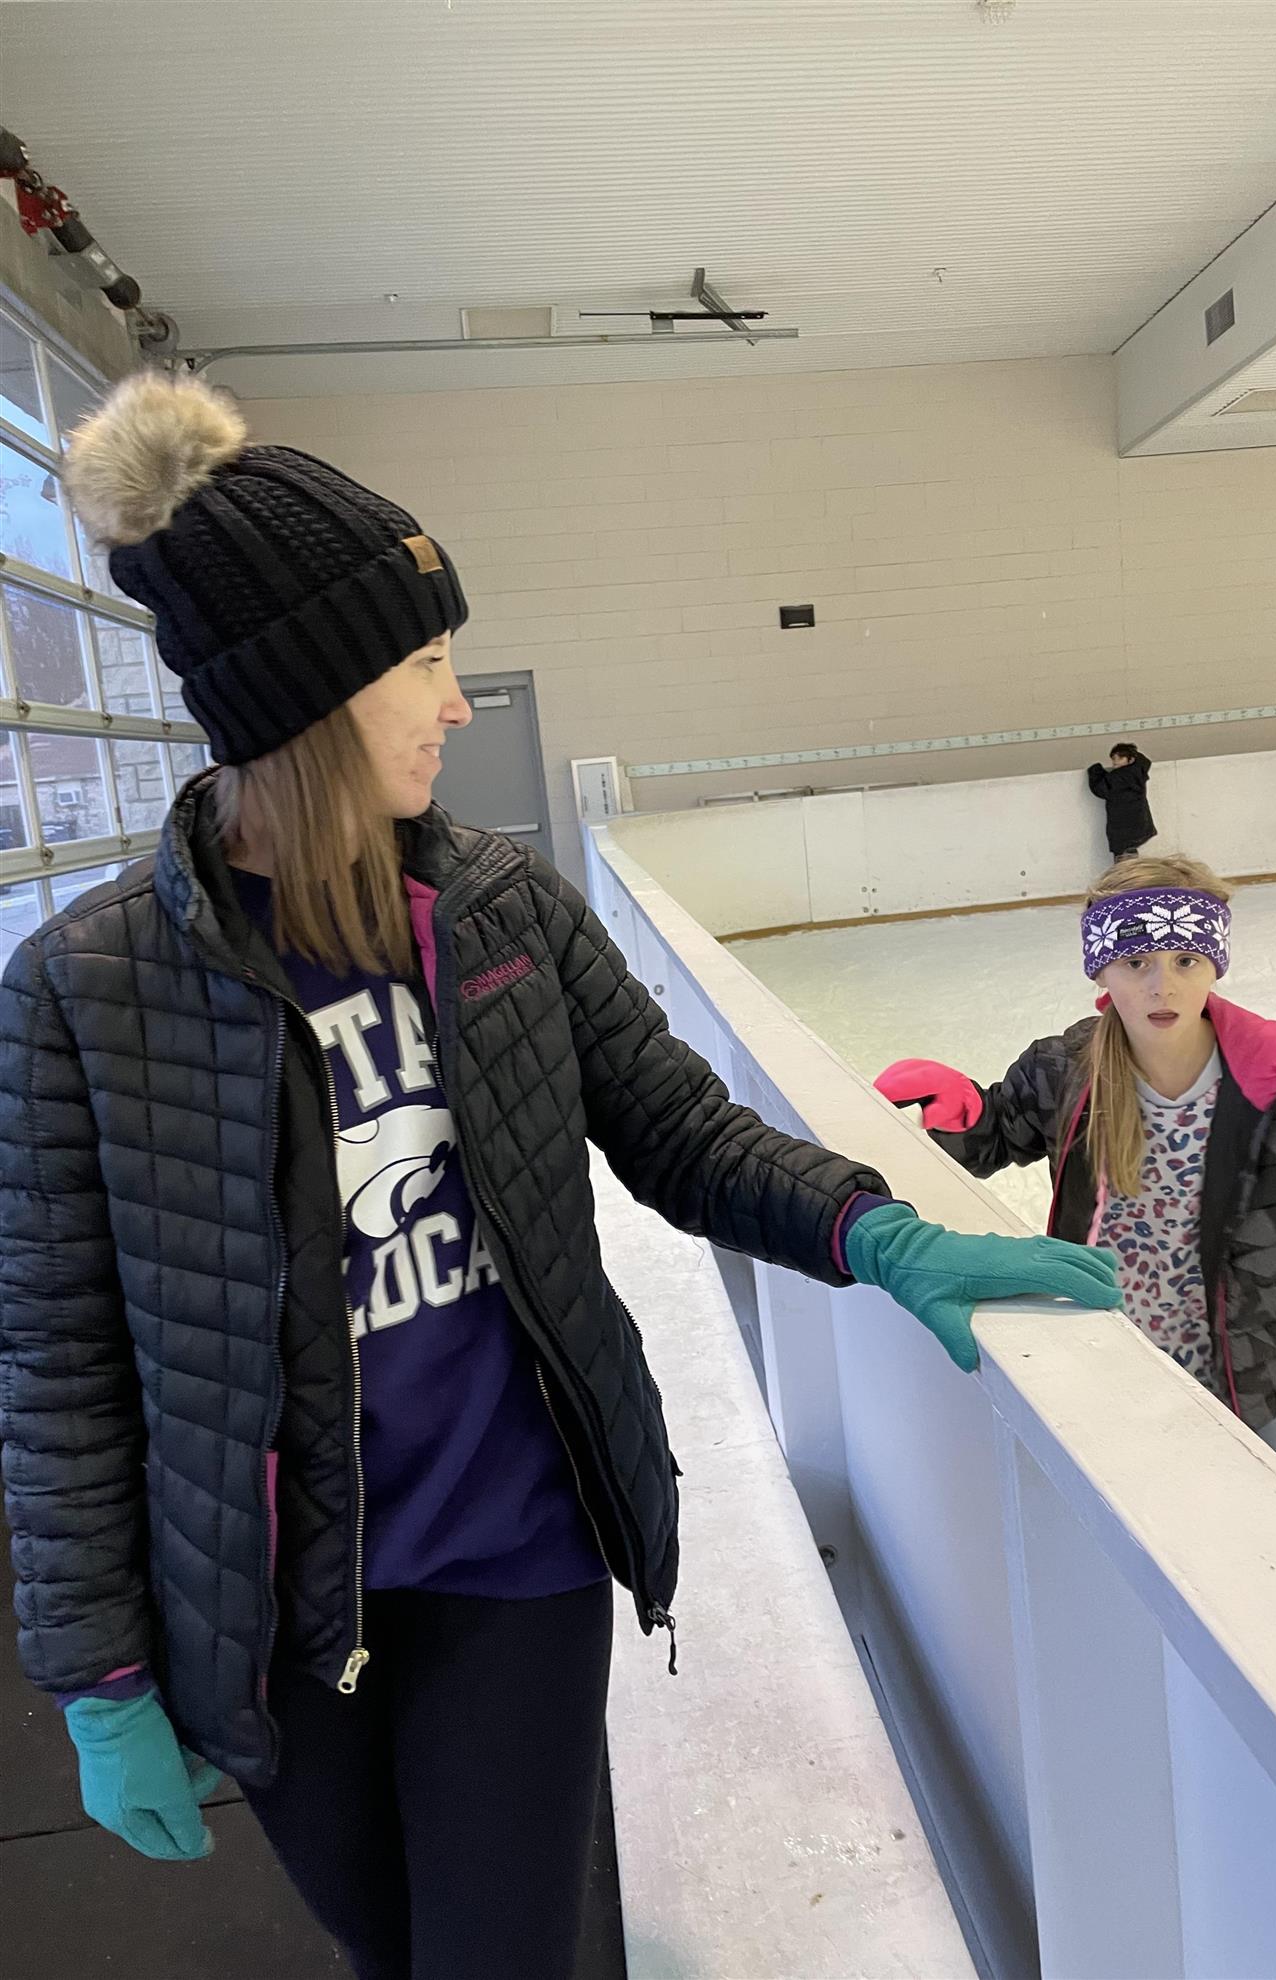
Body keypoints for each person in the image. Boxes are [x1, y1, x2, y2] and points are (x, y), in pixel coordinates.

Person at [0, 373, 1119, 1980]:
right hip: (266, 1608)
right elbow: (60, 1363)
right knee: (392, 1950)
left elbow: (679, 1130)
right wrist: (99, 1678)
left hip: (512, 1555)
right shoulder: (82, 992)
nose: (458, 705)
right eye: (426, 664)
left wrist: (878, 1233)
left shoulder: (502, 910)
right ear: (313, 694)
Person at [875, 853, 1276, 1475]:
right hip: (1109, 1358)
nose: (1161, 986)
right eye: (1136, 962)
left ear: (1214, 965)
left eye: (1185, 961)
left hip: (1251, 1372)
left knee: (1268, 1524)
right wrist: (963, 1116)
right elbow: (1000, 1132)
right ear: (1101, 971)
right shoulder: (1063, 1071)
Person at [1086, 742, 1155, 861]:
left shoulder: (1119, 777)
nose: (1115, 761)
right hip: (1140, 823)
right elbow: (1144, 761)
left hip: (1122, 827)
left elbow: (1100, 789)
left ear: (1130, 759)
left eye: (1120, 758)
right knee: (1130, 855)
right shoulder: (1138, 771)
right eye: (1114, 758)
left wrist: (1095, 770)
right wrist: (1132, 752)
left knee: (1123, 857)